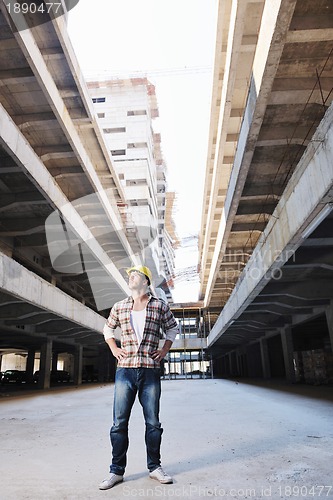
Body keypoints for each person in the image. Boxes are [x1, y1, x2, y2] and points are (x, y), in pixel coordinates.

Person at [99, 265, 178, 490]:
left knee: (153, 422)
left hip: (150, 370)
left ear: (145, 280)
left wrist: (163, 351)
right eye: (129, 275)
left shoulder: (159, 306)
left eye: (134, 274)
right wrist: (114, 348)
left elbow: (173, 329)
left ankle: (155, 467)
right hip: (125, 370)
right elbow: (107, 330)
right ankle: (116, 471)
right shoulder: (119, 306)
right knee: (118, 423)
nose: (130, 277)